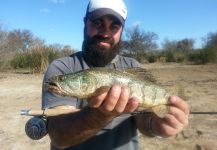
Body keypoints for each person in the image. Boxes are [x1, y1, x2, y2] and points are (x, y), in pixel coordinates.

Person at [42, 0, 190, 149]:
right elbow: (58, 136)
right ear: (85, 22)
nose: (105, 33)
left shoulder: (133, 66)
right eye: (98, 22)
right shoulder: (62, 67)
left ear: (122, 29)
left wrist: (158, 126)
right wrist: (100, 115)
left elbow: (143, 120)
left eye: (114, 26)